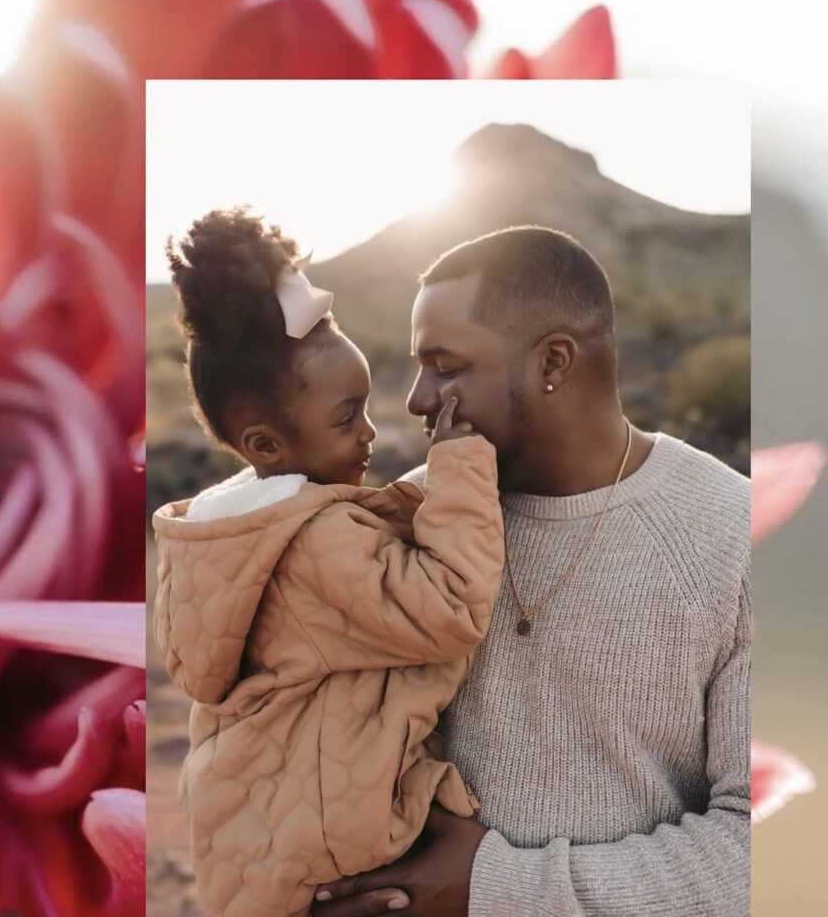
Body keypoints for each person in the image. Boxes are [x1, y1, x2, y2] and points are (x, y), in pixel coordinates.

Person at [311, 225, 750, 917]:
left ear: (552, 362)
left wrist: (494, 888)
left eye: (447, 366)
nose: (419, 399)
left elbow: (768, 849)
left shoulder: (735, 536)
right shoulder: (410, 515)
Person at [151, 207, 507, 917]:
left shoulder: (233, 536)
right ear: (266, 445)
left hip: (260, 859)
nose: (371, 432)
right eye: (347, 419)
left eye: (366, 407)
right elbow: (453, 609)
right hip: (331, 868)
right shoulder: (312, 543)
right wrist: (462, 465)